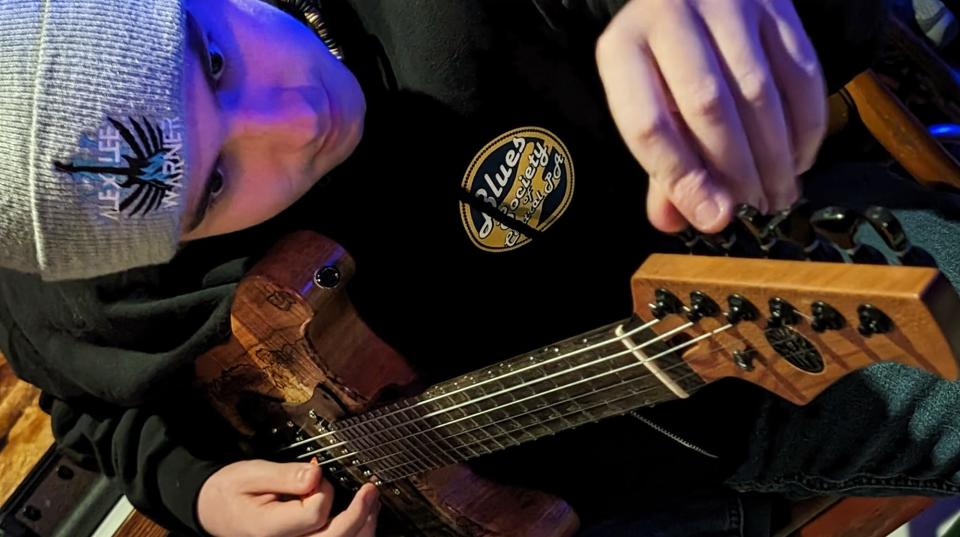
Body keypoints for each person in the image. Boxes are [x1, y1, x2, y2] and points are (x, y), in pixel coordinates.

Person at [0, 0, 913, 536]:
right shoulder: (78, 296)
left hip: (777, 324)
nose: (296, 118)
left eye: (215, 59)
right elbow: (86, 407)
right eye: (217, 184)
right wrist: (199, 494)